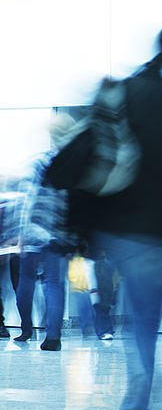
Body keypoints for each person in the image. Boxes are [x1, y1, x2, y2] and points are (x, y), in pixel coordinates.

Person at [50, 28, 162, 410]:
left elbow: (87, 152)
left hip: (112, 227)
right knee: (144, 318)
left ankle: (144, 386)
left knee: (128, 308)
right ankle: (138, 403)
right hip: (154, 230)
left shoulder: (122, 94)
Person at [14, 110, 77, 350]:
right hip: (58, 234)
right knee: (54, 283)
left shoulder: (40, 161)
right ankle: (52, 337)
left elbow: (27, 199)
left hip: (33, 230)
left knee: (27, 280)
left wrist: (21, 231)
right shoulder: (73, 165)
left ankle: (25, 330)